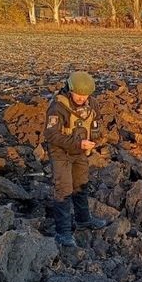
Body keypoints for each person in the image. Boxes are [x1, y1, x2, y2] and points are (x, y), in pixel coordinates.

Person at [43, 71, 108, 247]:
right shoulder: (58, 107)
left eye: (85, 95)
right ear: (70, 89)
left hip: (80, 152)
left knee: (81, 186)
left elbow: (95, 124)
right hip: (61, 153)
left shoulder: (92, 104)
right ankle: (62, 232)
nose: (81, 98)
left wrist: (95, 139)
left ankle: (83, 221)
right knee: (64, 190)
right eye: (78, 95)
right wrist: (78, 143)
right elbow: (51, 135)